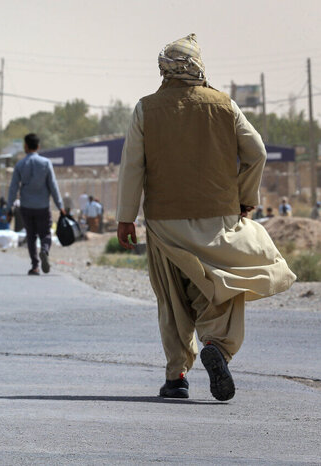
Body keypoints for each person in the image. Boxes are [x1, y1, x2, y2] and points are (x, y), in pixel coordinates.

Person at [116, 34, 295, 401]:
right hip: (218, 218)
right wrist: (245, 197)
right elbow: (257, 152)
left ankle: (177, 375)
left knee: (172, 298)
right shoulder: (224, 105)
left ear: (164, 68)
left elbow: (132, 166)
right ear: (198, 66)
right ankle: (217, 344)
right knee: (215, 286)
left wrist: (125, 218)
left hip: (165, 222)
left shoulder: (146, 108)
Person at [8, 133, 65, 275]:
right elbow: (53, 185)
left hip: (26, 206)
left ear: (25, 146)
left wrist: (9, 206)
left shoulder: (20, 165)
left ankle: (35, 266)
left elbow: (13, 187)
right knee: (45, 234)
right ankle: (44, 250)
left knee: (31, 236)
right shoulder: (45, 163)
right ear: (38, 146)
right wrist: (60, 206)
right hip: (43, 206)